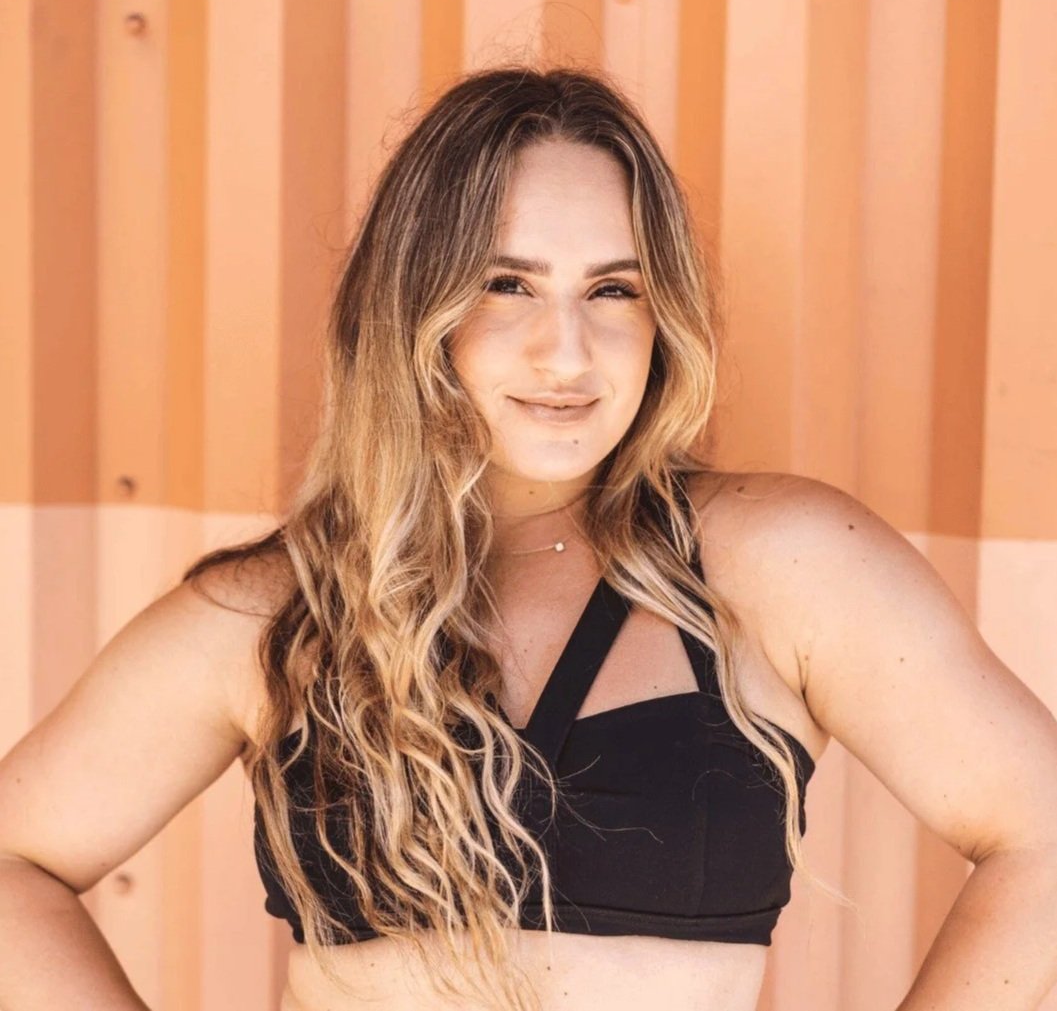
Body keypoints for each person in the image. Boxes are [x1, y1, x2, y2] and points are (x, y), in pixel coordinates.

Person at [2, 64, 1056, 1011]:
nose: (567, 352)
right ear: (413, 307)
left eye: (613, 289)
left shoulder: (780, 562)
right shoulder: (283, 608)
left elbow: (1040, 834)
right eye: (506, 284)